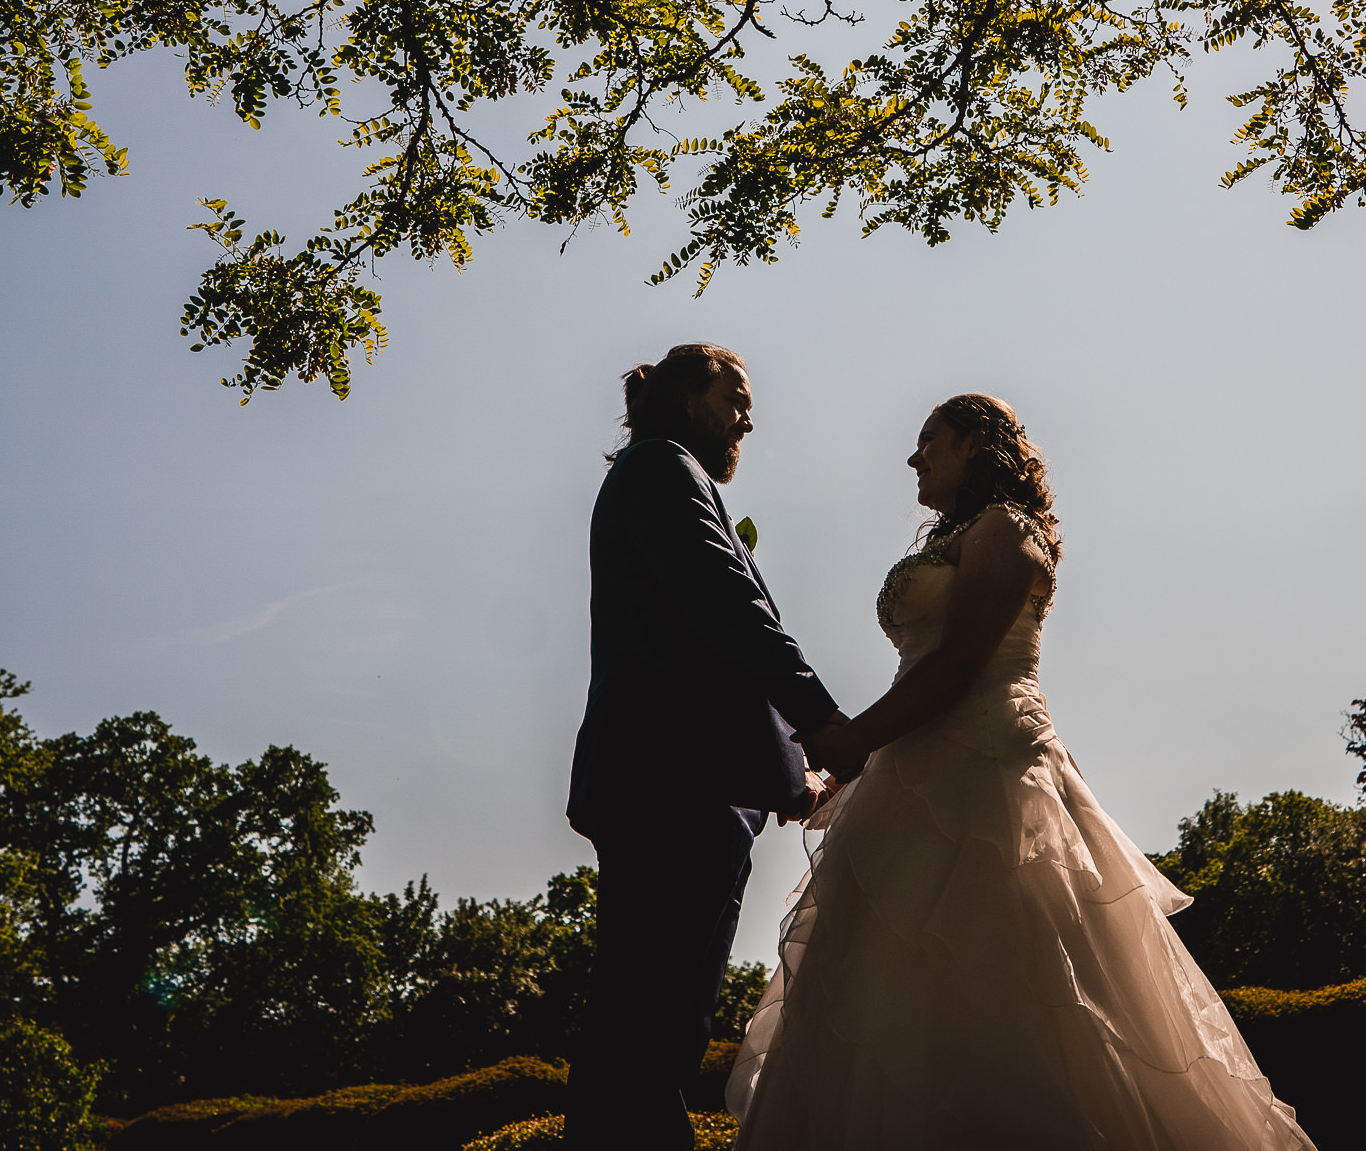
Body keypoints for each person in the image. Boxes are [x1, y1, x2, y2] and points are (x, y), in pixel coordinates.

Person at [726, 394, 1317, 1150]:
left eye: (930, 440)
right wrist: (864, 759)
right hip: (911, 770)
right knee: (894, 990)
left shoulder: (1007, 529)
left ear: (976, 442)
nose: (915, 457)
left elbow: (963, 661)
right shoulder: (960, 536)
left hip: (994, 765)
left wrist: (851, 740)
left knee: (1009, 969)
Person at [564, 344, 867, 1151]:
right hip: (670, 787)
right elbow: (728, 611)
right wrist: (822, 723)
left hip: (692, 786)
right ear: (686, 396)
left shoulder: (663, 475)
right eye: (734, 393)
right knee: (648, 1018)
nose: (748, 412)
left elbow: (704, 652)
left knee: (667, 1014)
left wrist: (786, 777)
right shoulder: (660, 469)